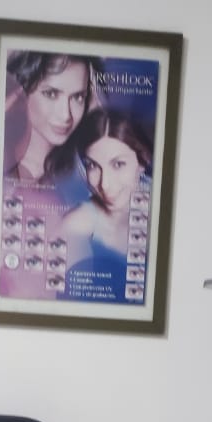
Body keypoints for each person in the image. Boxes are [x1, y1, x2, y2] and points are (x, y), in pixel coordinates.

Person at [59, 109, 154, 301]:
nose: (105, 184)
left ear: (142, 161)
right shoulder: (76, 224)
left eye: (118, 164)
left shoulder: (166, 212)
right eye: (93, 165)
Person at [4, 52, 101, 184]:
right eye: (51, 94)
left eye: (78, 97)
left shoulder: (89, 175)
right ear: (21, 92)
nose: (65, 115)